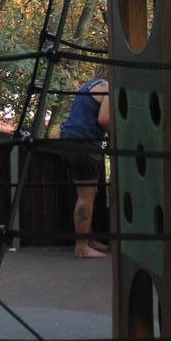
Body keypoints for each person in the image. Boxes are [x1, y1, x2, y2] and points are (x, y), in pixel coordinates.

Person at [58, 77, 110, 258]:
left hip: (69, 140)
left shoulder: (91, 85)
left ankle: (88, 240)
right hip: (84, 144)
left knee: (90, 193)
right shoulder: (109, 88)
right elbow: (104, 120)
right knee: (85, 196)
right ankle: (81, 247)